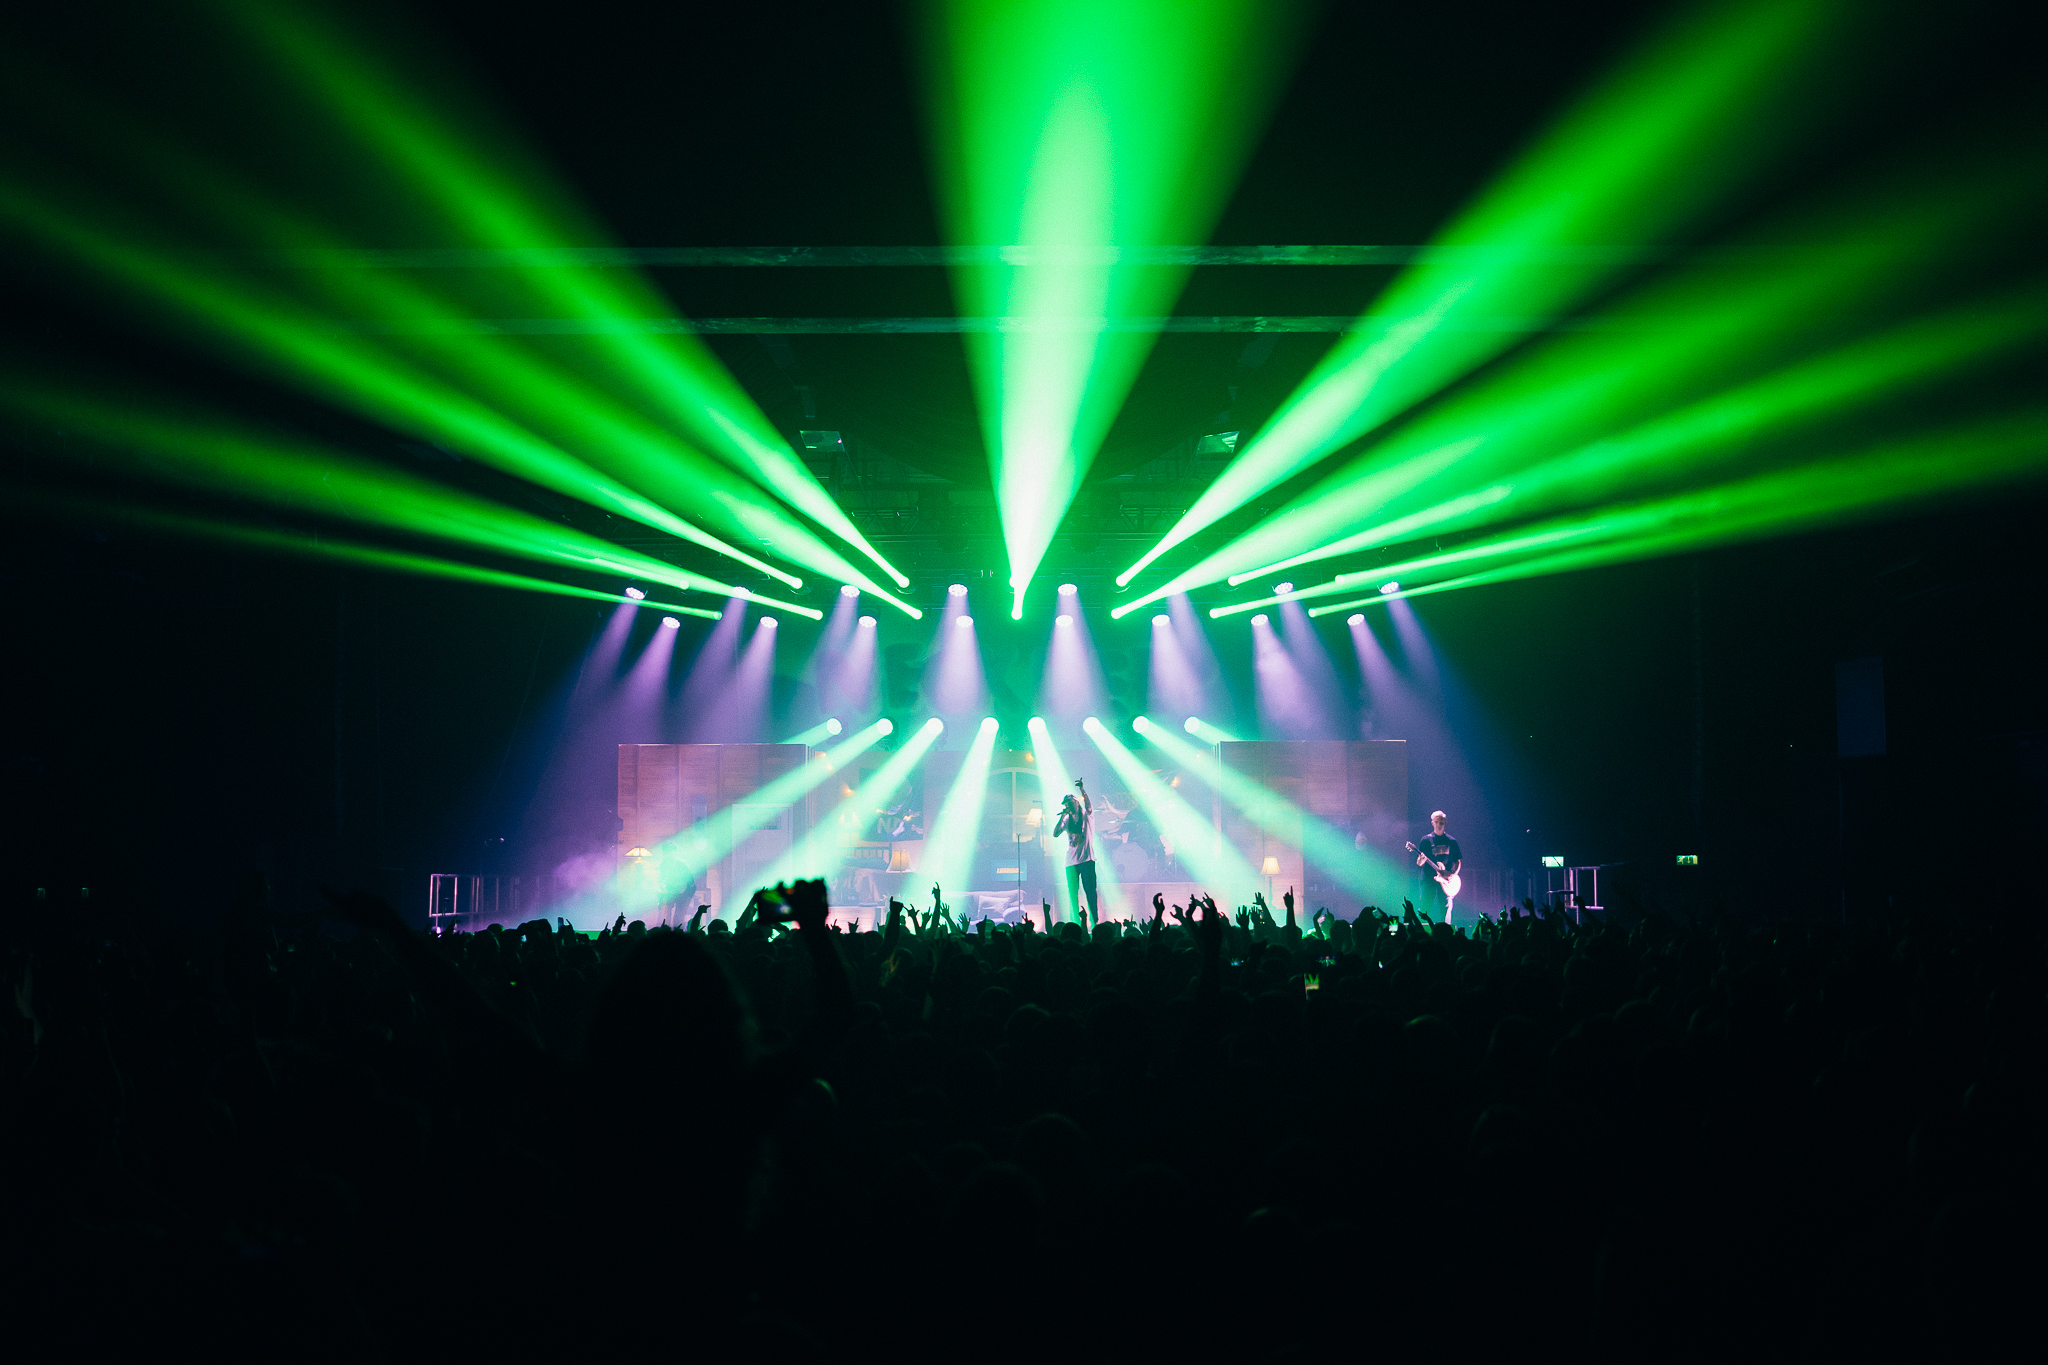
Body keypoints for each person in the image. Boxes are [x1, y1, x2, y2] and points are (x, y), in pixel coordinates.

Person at [1054, 777, 1097, 929]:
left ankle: (1094, 921)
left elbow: (1089, 805)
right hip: (1071, 862)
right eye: (1066, 805)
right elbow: (1055, 833)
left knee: (1090, 891)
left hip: (1086, 859)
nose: (1068, 806)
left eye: (1070, 803)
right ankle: (1075, 923)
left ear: (1076, 802)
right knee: (1073, 894)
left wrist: (1082, 790)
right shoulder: (1067, 820)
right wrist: (1062, 817)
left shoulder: (1086, 815)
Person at [1413, 809, 1462, 921]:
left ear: (1445, 823)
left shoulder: (1451, 841)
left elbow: (1458, 861)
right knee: (1425, 905)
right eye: (1437, 822)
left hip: (1446, 880)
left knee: (1445, 906)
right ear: (1432, 823)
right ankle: (1422, 931)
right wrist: (1421, 859)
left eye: (1441, 822)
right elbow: (1419, 863)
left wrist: (1452, 875)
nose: (1439, 825)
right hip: (1429, 879)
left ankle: (1446, 930)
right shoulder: (1425, 840)